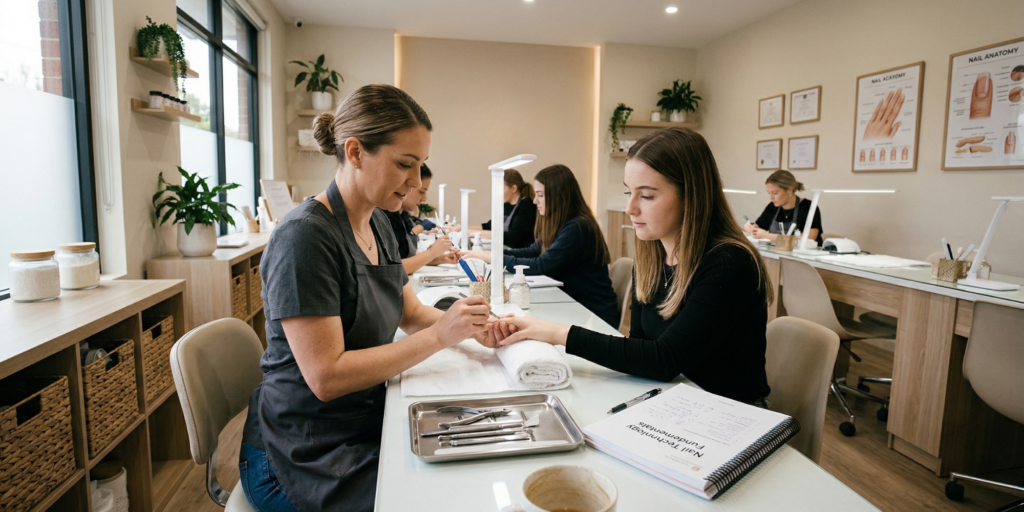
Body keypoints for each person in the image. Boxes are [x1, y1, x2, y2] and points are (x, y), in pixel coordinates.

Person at [239, 84, 502, 512]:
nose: (416, 183)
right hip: (302, 452)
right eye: (404, 164)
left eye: (421, 167)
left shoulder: (379, 223)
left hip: (359, 420)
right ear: (356, 151)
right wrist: (442, 337)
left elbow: (412, 313)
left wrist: (472, 329)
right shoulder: (304, 238)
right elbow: (326, 377)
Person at [484, 128, 773, 406]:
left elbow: (664, 358)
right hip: (677, 401)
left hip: (729, 415)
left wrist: (558, 333)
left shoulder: (730, 263)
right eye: (628, 193)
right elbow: (640, 346)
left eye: (646, 196)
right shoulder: (652, 258)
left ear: (692, 196)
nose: (630, 208)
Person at [459, 164, 619, 328]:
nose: (535, 201)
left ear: (559, 196)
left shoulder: (577, 227)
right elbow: (532, 251)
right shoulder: (560, 223)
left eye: (540, 195)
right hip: (572, 303)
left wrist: (494, 258)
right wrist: (492, 255)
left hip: (592, 314)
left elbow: (542, 265)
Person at [383, 163, 458, 274]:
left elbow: (406, 255)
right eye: (421, 191)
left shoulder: (401, 216)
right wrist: (432, 253)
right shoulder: (386, 219)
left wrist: (442, 258)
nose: (424, 198)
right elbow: (391, 269)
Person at [745, 170, 823, 245]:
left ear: (789, 190)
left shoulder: (808, 207)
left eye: (775, 193)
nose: (771, 197)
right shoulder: (772, 207)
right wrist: (751, 228)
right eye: (769, 193)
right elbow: (758, 227)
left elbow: (810, 238)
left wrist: (769, 236)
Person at [465, 169, 538, 249]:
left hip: (520, 255)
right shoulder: (506, 205)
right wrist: (462, 228)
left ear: (513, 188)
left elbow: (512, 237)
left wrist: (474, 233)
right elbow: (490, 226)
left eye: (502, 189)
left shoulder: (527, 207)